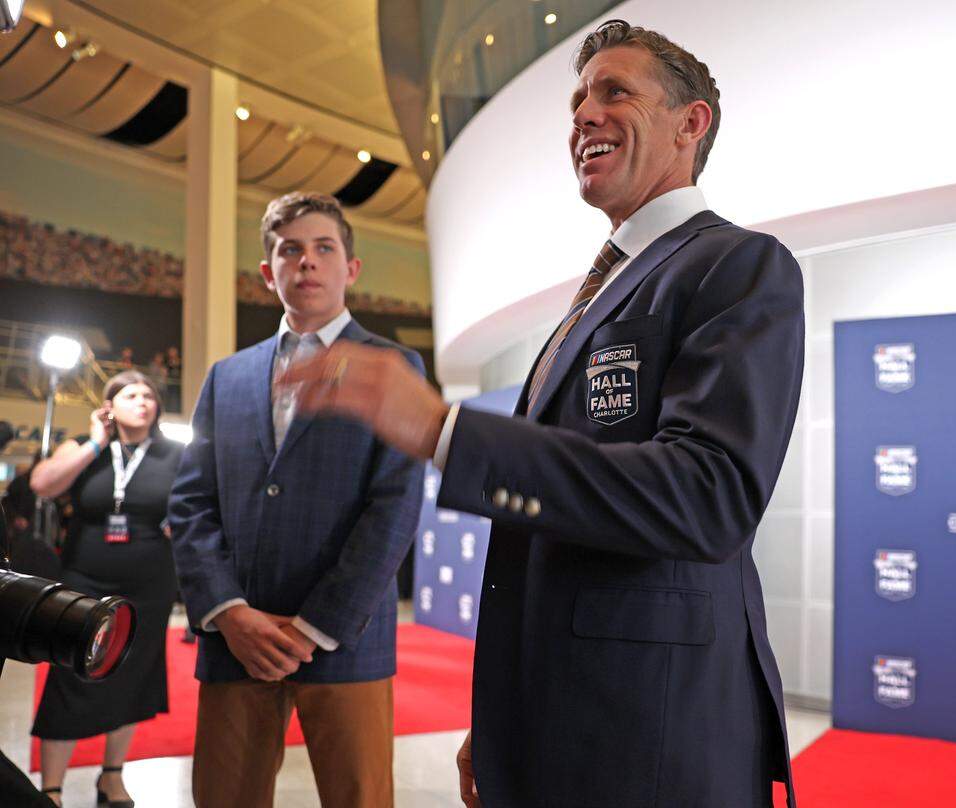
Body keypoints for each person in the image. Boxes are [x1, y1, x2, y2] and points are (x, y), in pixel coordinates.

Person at [280, 19, 804, 808]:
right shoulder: (601, 290)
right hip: (559, 720)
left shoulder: (736, 264)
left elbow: (709, 495)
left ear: (689, 124)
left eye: (614, 92)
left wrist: (443, 432)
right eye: (578, 100)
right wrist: (503, 717)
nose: (583, 116)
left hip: (651, 739)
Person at [167, 192, 425, 808]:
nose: (306, 262)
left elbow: (394, 508)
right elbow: (190, 502)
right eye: (290, 250)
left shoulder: (393, 366)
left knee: (359, 797)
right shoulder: (225, 377)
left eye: (323, 248)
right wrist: (228, 611)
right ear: (268, 271)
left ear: (350, 269)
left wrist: (316, 626)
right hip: (238, 638)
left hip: (345, 636)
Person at [28, 371, 182, 807]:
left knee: (132, 675)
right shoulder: (83, 446)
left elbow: (196, 507)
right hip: (83, 579)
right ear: (109, 405)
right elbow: (43, 485)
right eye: (130, 394)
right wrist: (96, 441)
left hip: (149, 582)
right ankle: (52, 788)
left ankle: (112, 777)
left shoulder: (175, 454)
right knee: (71, 672)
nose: (143, 401)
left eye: (149, 394)